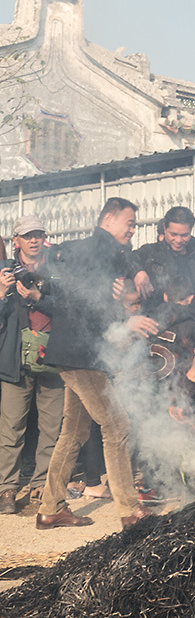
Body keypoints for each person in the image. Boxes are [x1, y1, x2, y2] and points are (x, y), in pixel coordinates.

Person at [35, 197, 159, 529]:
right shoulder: (99, 252)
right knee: (117, 426)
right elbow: (84, 304)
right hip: (81, 354)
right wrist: (126, 322)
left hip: (78, 352)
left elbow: (90, 297)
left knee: (73, 431)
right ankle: (130, 510)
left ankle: (50, 509)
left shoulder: (93, 250)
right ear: (108, 220)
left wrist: (120, 295)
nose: (133, 230)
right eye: (129, 223)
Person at [0, 216, 64, 514]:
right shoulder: (4, 273)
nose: (34, 240)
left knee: (51, 427)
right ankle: (7, 489)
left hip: (52, 358)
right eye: (28, 236)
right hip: (16, 361)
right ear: (16, 241)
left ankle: (42, 486)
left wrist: (41, 297)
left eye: (38, 234)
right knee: (11, 428)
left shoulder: (58, 272)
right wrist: (2, 293)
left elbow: (69, 309)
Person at [131, 205, 195, 343]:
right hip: (158, 329)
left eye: (184, 235)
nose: (178, 240)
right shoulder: (150, 252)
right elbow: (127, 258)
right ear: (164, 228)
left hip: (189, 329)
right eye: (173, 234)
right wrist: (138, 272)